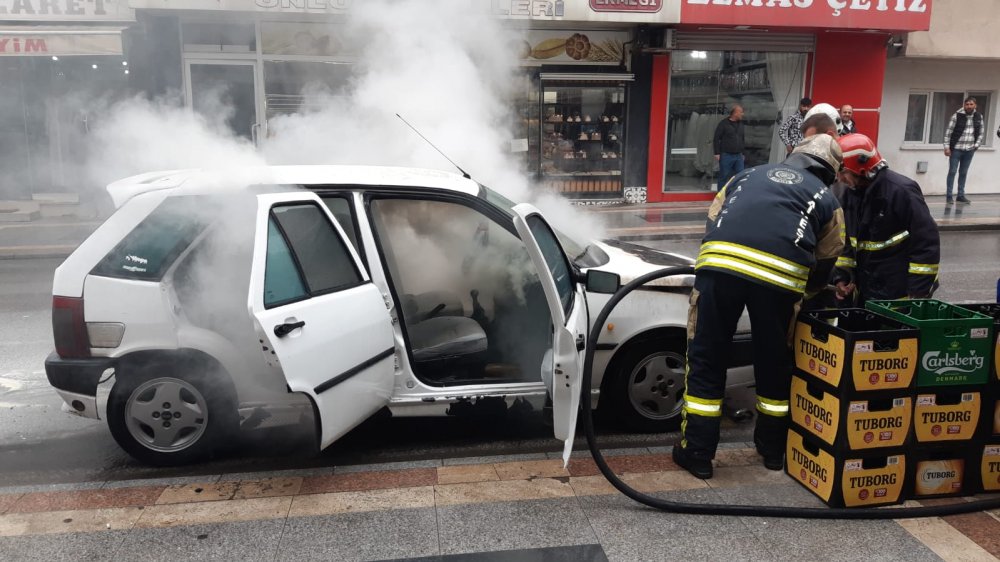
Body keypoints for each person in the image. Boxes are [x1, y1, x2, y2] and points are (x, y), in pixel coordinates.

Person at [673, 134, 845, 479]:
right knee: (774, 362)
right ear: (830, 172)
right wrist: (809, 291)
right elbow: (829, 255)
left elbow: (715, 215)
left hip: (720, 267)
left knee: (706, 357)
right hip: (780, 281)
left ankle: (698, 454)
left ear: (793, 156)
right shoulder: (828, 200)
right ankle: (772, 451)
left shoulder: (747, 175)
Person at [832, 133, 940, 305]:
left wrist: (918, 293)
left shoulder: (902, 192)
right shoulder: (848, 195)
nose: (839, 178)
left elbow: (926, 243)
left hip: (900, 293)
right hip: (867, 289)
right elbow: (845, 241)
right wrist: (842, 277)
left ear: (861, 169)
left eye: (843, 172)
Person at [944, 96, 984, 205]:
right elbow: (948, 133)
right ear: (964, 105)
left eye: (971, 104)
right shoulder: (956, 116)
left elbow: (981, 133)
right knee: (952, 172)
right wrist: (947, 147)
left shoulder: (979, 117)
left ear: (975, 105)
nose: (969, 106)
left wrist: (976, 146)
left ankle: (960, 195)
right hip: (956, 149)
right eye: (967, 104)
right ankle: (949, 196)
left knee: (963, 173)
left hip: (969, 150)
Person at [713, 104, 746, 191]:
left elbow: (742, 139)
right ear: (735, 113)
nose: (742, 114)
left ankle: (737, 194)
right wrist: (717, 153)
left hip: (738, 155)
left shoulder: (741, 124)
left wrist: (743, 153)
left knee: (741, 176)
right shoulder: (723, 124)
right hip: (726, 155)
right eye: (741, 112)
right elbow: (716, 138)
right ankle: (721, 195)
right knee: (723, 176)